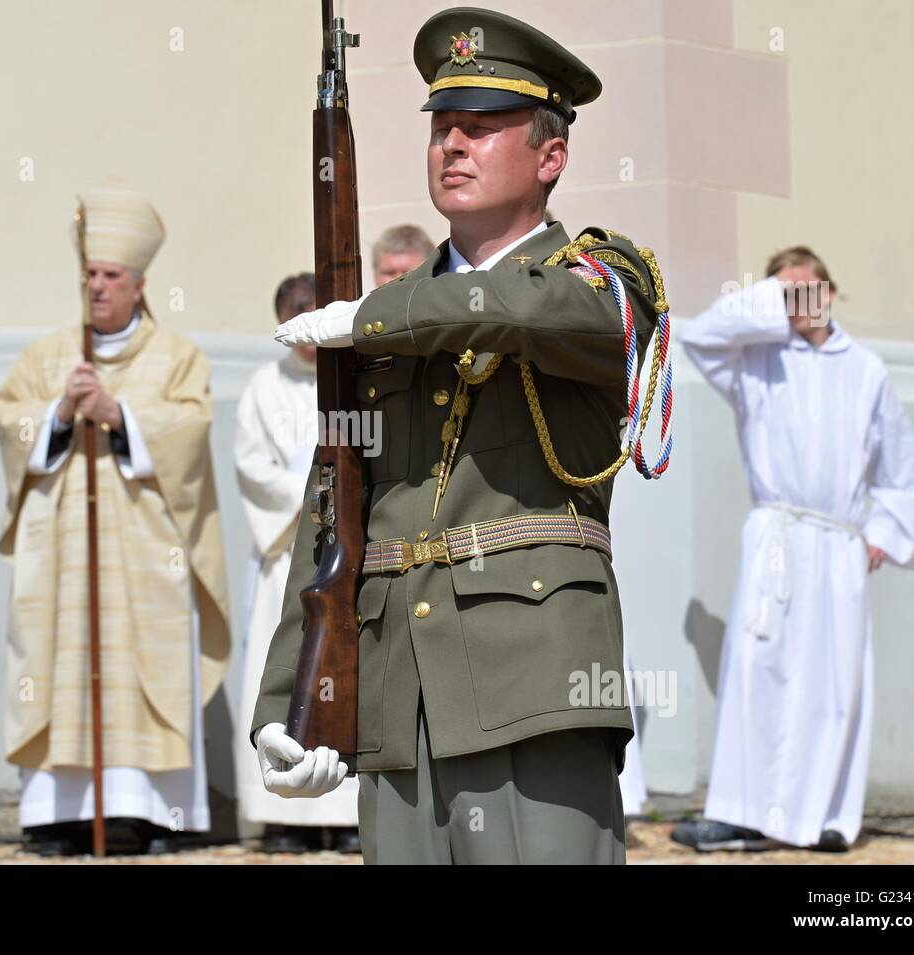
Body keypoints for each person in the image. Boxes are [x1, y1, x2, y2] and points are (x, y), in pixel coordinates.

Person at [249, 7, 669, 864]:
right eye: (443, 126)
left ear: (551, 155)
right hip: (399, 695)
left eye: (481, 128)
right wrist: (291, 698)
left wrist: (372, 312)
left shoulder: (599, 281)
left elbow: (514, 306)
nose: (452, 145)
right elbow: (335, 507)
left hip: (535, 683)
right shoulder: (376, 331)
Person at [0, 176, 229, 856]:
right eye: (89, 274)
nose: (97, 286)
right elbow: (8, 423)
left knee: (146, 668)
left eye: (111, 274)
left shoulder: (178, 355)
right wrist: (59, 415)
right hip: (63, 550)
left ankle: (153, 814)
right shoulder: (47, 356)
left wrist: (120, 415)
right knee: (60, 663)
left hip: (148, 550)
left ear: (139, 282)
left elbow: (191, 430)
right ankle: (60, 816)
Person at [672, 247, 914, 853]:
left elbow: (901, 468)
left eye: (808, 291)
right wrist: (771, 305)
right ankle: (740, 814)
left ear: (831, 292)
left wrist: (881, 537)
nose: (797, 305)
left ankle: (827, 817)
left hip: (839, 544)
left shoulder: (865, 369)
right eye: (783, 295)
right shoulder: (753, 360)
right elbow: (699, 337)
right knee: (756, 670)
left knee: (834, 682)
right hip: (777, 537)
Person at [232, 273, 361, 854]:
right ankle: (282, 813)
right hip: (291, 549)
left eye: (317, 309)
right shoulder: (263, 386)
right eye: (297, 310)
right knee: (285, 665)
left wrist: (342, 501)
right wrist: (317, 496)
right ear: (282, 317)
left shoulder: (355, 377)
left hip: (347, 550)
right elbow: (251, 467)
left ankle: (345, 810)